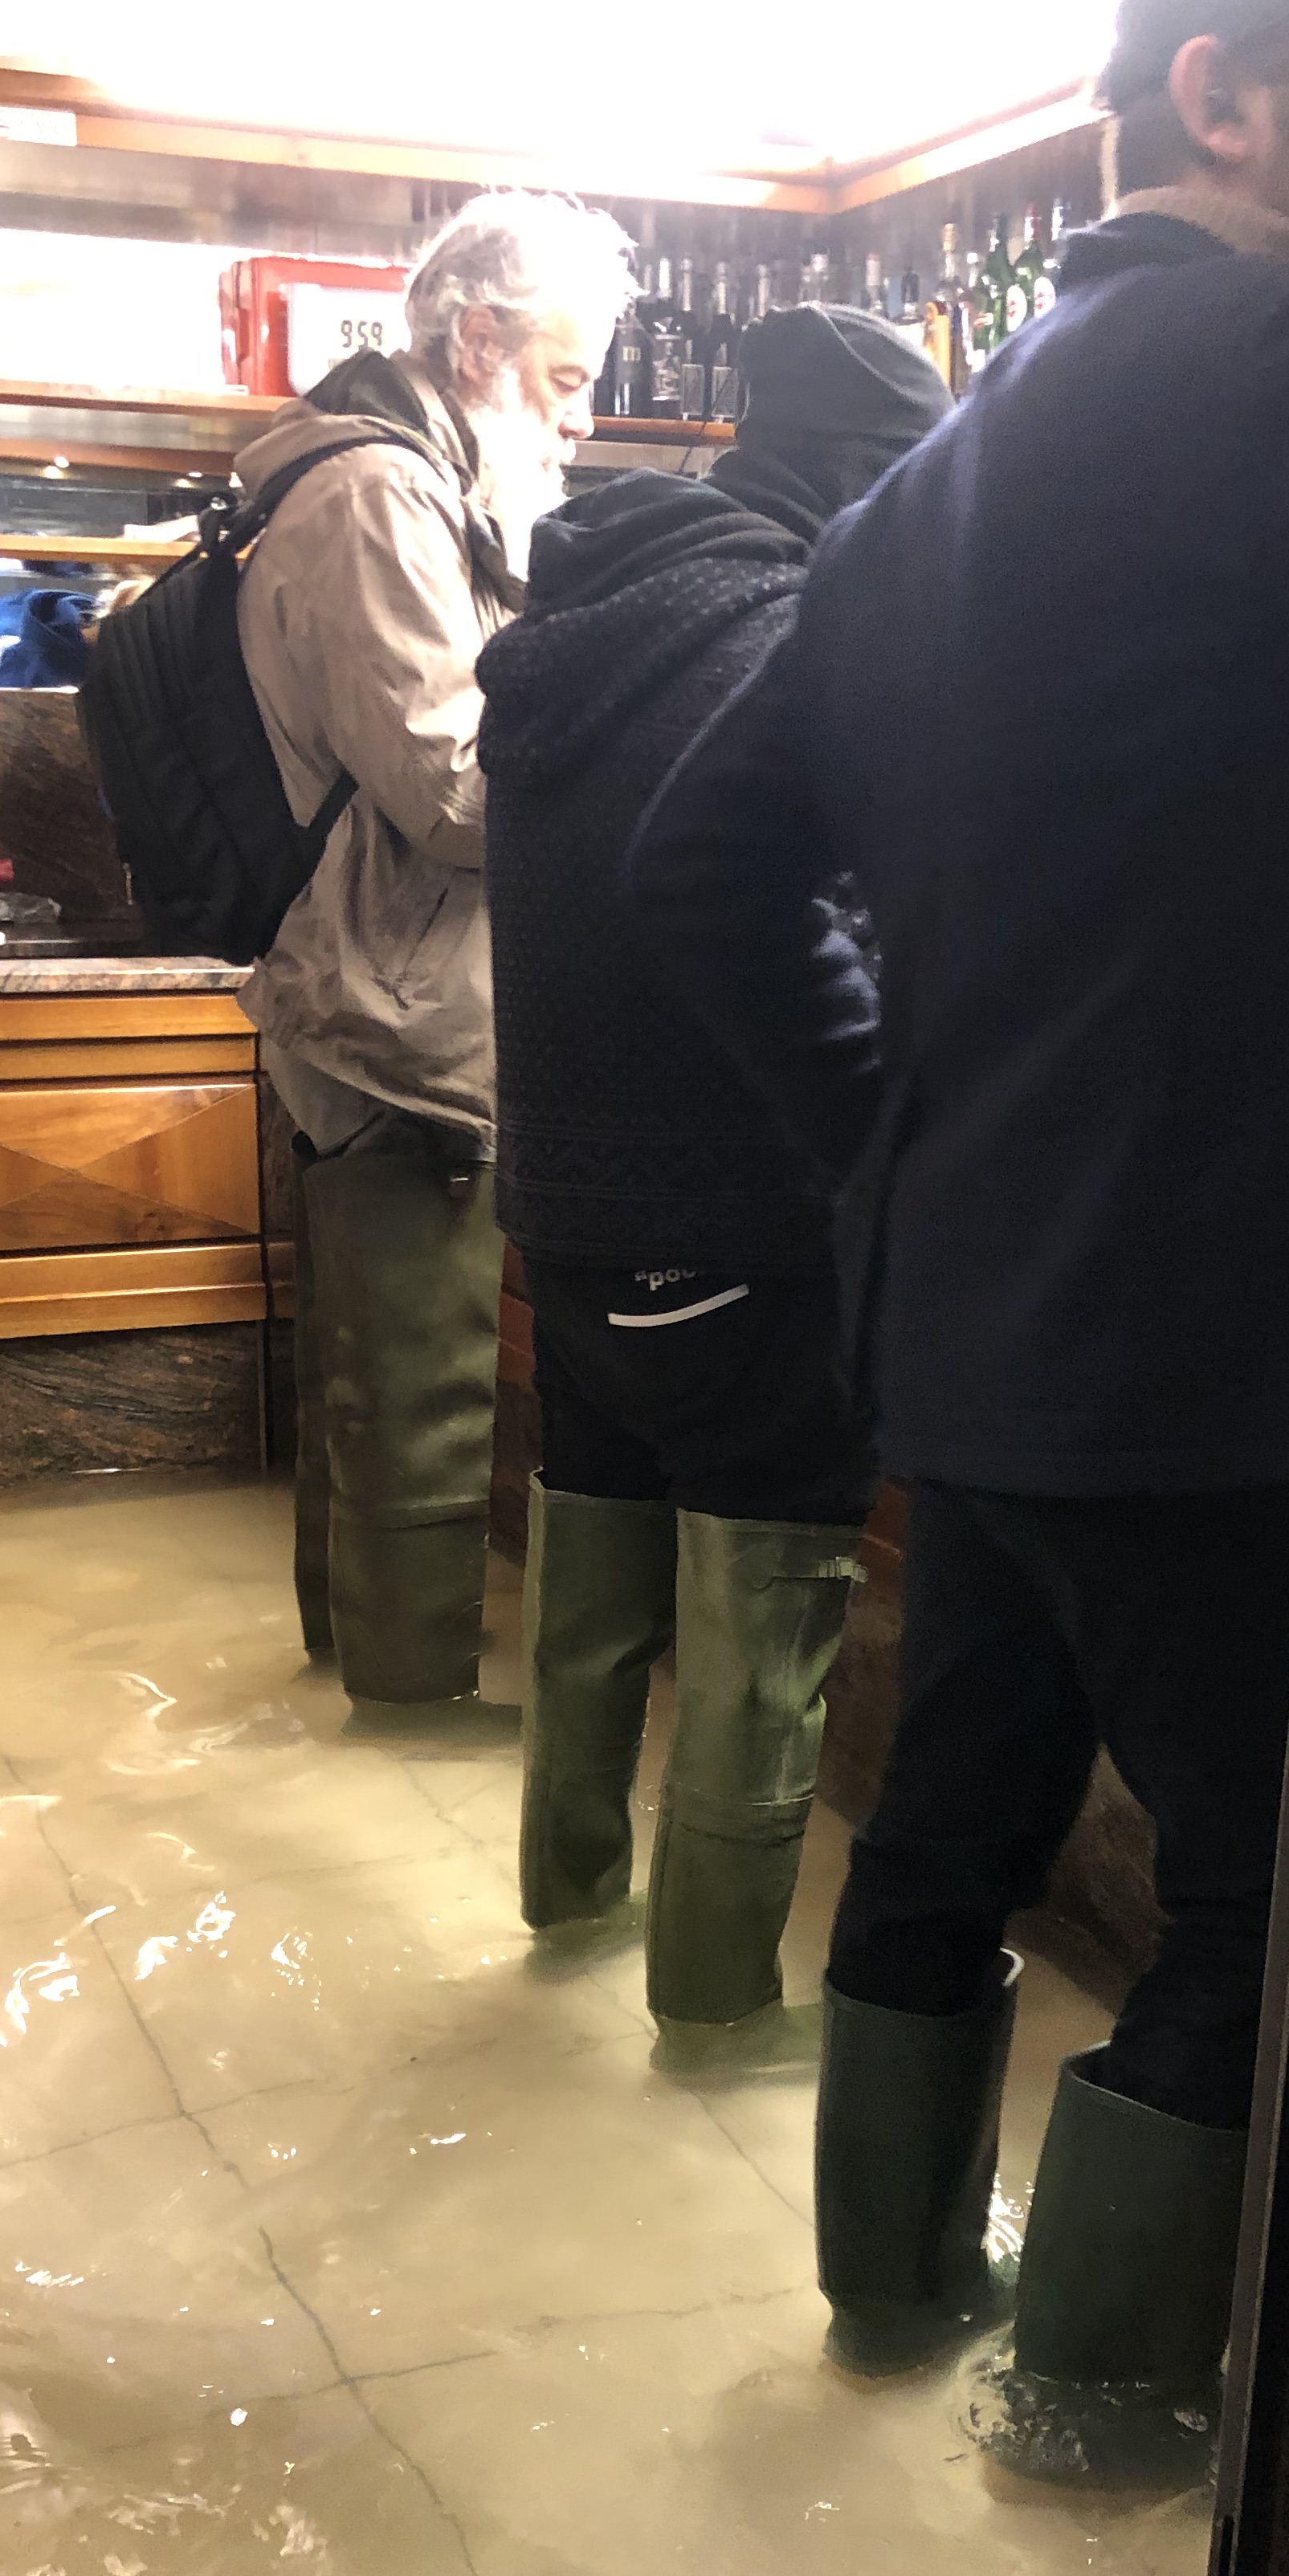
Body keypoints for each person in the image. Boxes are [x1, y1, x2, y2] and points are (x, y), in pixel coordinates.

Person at [630, 0, 1289, 2439]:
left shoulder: (913, 501)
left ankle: (891, 2309)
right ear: (1225, 93)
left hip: (966, 1321)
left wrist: (894, 1124)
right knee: (1268, 1891)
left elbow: (704, 867)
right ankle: (1094, 2428)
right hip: (1201, 1339)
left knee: (950, 1825)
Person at [476, 307, 951, 2033]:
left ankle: (566, 1914)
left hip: (570, 1222)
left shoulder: (582, 615)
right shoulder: (782, 628)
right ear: (863, 480)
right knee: (765, 1653)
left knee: (593, 1604)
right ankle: (714, 2026)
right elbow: (791, 915)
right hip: (738, 1220)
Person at [233, 194, 633, 1708]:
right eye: (566, 378)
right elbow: (458, 793)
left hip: (362, 991)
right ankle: (409, 1714)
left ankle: (362, 1679)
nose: (581, 423)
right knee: (422, 1390)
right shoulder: (379, 502)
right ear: (476, 341)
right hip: (390, 1014)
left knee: (372, 1377)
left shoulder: (375, 479)